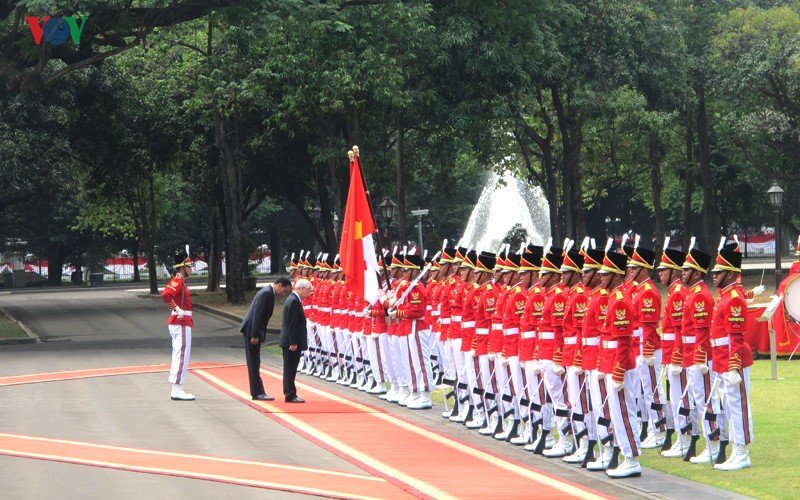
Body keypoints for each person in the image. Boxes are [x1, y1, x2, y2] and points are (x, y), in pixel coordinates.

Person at [240, 278, 293, 401]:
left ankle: (258, 391)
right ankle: (257, 392)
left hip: (253, 330)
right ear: (279, 285)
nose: (283, 294)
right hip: (252, 331)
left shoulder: (268, 292)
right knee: (254, 363)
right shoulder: (266, 294)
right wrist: (254, 334)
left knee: (254, 362)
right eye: (284, 290)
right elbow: (257, 315)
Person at [161, 249, 196, 401]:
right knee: (182, 355)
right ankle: (177, 388)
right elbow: (165, 294)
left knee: (180, 355)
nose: (191, 269)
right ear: (182, 267)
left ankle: (177, 387)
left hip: (182, 321)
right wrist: (176, 309)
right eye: (188, 266)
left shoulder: (181, 281)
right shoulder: (178, 281)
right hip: (180, 321)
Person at [281, 278, 314, 402]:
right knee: (290, 368)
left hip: (290, 341)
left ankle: (290, 392)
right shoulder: (294, 301)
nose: (308, 294)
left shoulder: (293, 299)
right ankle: (290, 394)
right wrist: (293, 342)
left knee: (290, 368)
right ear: (302, 289)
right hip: (291, 342)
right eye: (308, 291)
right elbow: (292, 324)